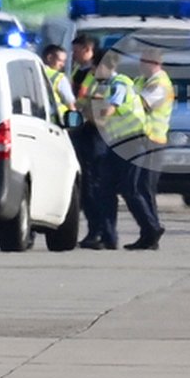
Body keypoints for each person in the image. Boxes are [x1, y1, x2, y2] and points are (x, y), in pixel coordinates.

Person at [82, 49, 154, 250]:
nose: (92, 73)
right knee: (104, 190)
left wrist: (93, 110)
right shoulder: (103, 85)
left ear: (103, 67)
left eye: (94, 68)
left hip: (132, 142)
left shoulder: (119, 84)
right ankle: (109, 237)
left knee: (131, 190)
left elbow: (106, 111)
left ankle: (151, 229)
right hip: (117, 144)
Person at [130, 47, 174, 250]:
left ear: (155, 63)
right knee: (141, 188)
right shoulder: (143, 81)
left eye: (144, 61)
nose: (140, 65)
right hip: (143, 140)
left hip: (153, 141)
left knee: (143, 188)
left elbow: (141, 104)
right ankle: (149, 233)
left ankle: (152, 230)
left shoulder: (160, 84)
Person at [69, 34, 100, 244]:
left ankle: (96, 231)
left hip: (93, 133)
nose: (73, 54)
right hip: (79, 130)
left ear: (88, 49)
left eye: (77, 49)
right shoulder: (78, 70)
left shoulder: (95, 74)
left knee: (91, 186)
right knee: (82, 185)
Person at [41, 43, 76, 119]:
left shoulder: (34, 72)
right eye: (60, 61)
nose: (62, 65)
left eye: (64, 61)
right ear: (49, 58)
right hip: (58, 120)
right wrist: (74, 120)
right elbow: (70, 102)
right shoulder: (59, 77)